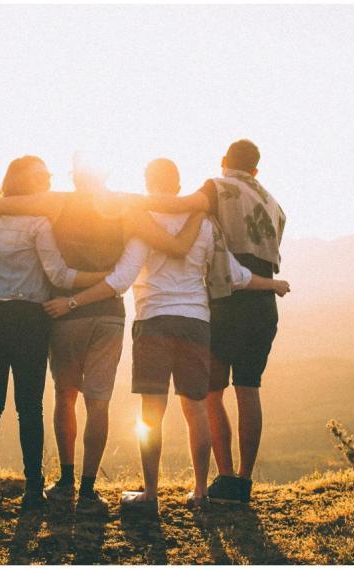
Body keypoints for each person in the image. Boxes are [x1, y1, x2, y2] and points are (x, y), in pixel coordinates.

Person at [44, 158, 290, 510]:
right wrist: (273, 284)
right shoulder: (204, 223)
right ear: (178, 186)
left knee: (151, 413)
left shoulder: (144, 222)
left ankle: (150, 495)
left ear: (148, 182)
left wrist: (72, 301)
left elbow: (121, 279)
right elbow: (234, 275)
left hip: (153, 321)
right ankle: (201, 492)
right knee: (196, 410)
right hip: (196, 322)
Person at [0, 158, 204, 515]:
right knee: (98, 402)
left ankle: (66, 481)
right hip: (109, 314)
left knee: (65, 395)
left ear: (75, 176)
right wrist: (199, 207)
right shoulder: (126, 205)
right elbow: (172, 231)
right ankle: (88, 490)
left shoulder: (58, 202)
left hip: (65, 312)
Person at [137, 140, 286, 504]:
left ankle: (224, 477)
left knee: (211, 394)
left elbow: (178, 206)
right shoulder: (272, 203)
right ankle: (244, 483)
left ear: (224, 162)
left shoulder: (216, 187)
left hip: (226, 300)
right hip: (263, 302)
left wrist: (126, 204)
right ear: (256, 169)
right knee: (249, 390)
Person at [0, 155, 108, 511]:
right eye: (42, 175)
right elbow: (59, 276)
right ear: (26, 183)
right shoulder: (38, 223)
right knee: (29, 406)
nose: (48, 179)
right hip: (27, 319)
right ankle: (34, 491)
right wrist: (104, 278)